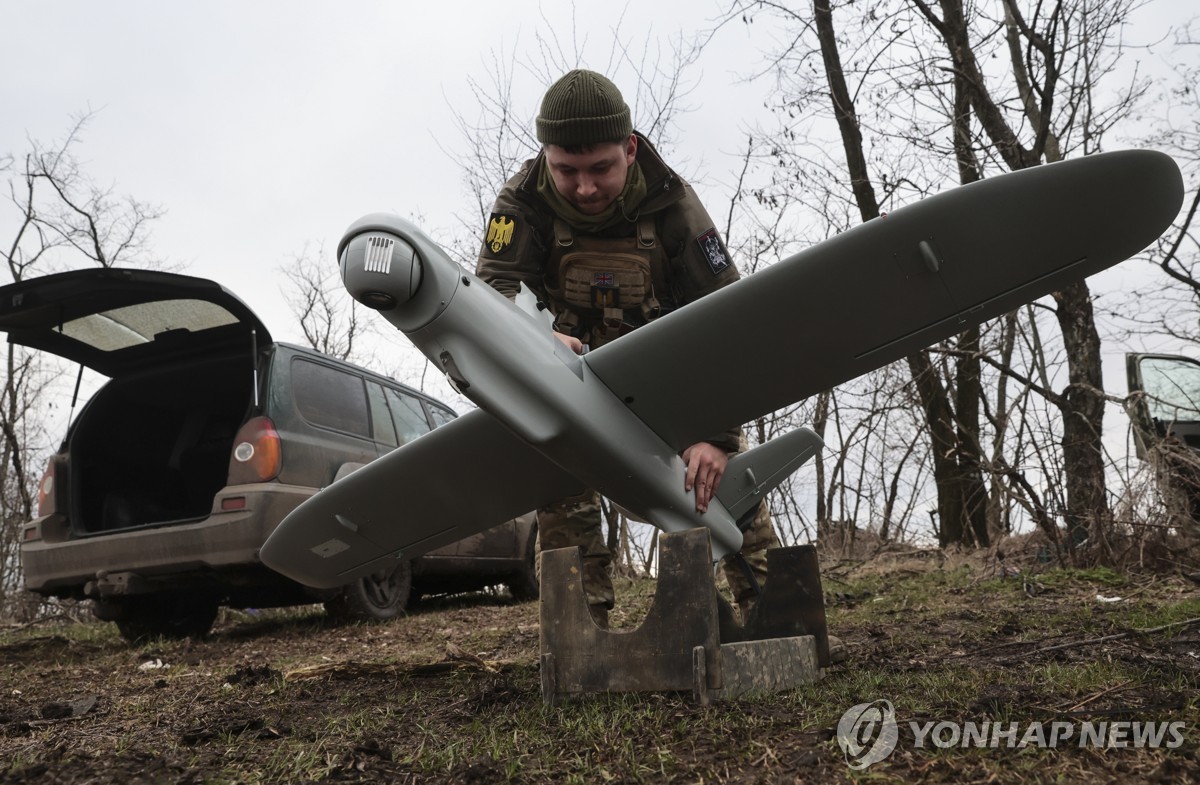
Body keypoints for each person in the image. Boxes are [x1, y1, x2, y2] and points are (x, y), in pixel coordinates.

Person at [474, 69, 780, 630]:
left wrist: (717, 436)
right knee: (561, 494)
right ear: (545, 156)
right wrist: (531, 338)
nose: (585, 188)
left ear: (630, 149)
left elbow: (733, 319)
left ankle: (774, 616)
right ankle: (581, 639)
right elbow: (490, 296)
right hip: (570, 383)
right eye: (566, 170)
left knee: (722, 485)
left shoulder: (672, 205)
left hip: (668, 381)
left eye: (601, 169)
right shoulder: (521, 203)